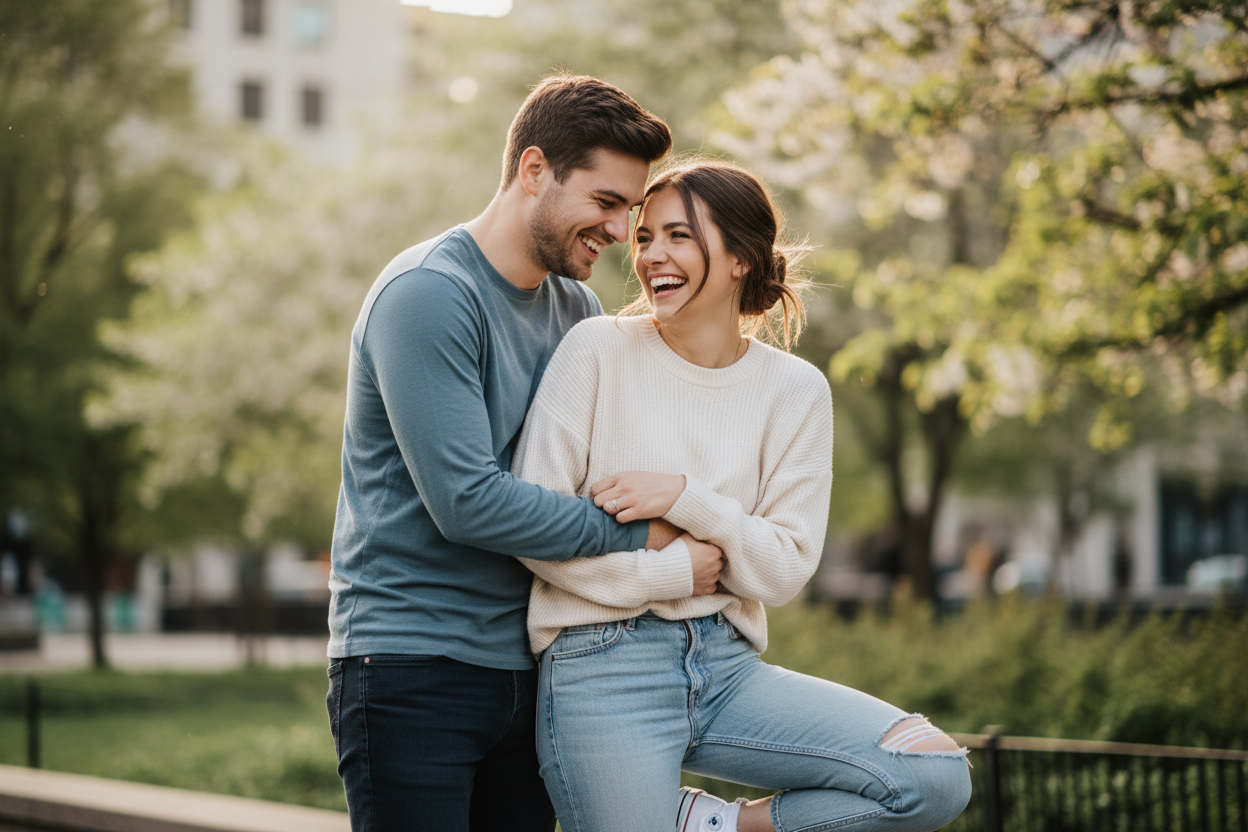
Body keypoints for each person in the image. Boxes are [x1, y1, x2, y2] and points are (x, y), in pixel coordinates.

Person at [512, 159, 973, 832]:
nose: (650, 256)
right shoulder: (597, 351)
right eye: (645, 237)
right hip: (600, 668)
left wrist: (684, 498)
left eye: (679, 236)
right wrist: (675, 569)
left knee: (931, 775)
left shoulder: (796, 390)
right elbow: (537, 531)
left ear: (740, 259)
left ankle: (719, 827)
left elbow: (782, 570)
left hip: (726, 666)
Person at [325, 74, 723, 832]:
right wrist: (649, 534)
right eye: (605, 203)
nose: (617, 231)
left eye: (628, 211)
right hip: (413, 666)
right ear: (535, 170)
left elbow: (603, 473)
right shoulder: (429, 294)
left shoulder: (577, 309)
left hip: (536, 665)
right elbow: (467, 502)